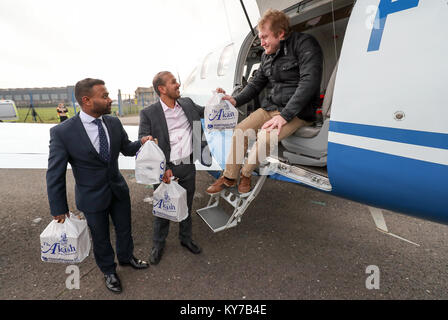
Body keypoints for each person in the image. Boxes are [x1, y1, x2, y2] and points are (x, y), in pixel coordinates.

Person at [46, 78, 153, 294]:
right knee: (101, 237)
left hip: (118, 190)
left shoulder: (113, 123)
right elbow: (54, 173)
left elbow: (126, 148)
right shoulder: (63, 132)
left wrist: (141, 144)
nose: (109, 99)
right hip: (91, 197)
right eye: (104, 96)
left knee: (125, 229)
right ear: (86, 101)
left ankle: (126, 257)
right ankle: (109, 271)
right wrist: (58, 208)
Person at [206, 9, 323, 195]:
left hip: (297, 111)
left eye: (265, 37)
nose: (261, 42)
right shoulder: (266, 55)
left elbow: (309, 83)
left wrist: (284, 116)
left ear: (281, 33)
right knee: (240, 131)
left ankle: (245, 174)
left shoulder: (304, 44)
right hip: (271, 107)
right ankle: (229, 177)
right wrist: (235, 100)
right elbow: (256, 84)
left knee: (264, 137)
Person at [138, 71, 208, 265]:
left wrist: (220, 97)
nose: (177, 85)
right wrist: (146, 141)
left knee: (186, 205)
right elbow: (143, 137)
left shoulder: (187, 104)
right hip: (165, 171)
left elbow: (208, 111)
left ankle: (186, 239)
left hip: (187, 165)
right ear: (162, 89)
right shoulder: (149, 113)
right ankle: (158, 245)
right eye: (173, 82)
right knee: (163, 210)